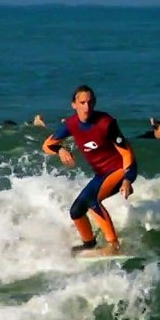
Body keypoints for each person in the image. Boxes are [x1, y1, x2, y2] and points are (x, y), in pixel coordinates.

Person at [41, 85, 137, 257]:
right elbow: (47, 145)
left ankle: (114, 246)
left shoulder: (106, 122)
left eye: (90, 102)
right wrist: (60, 149)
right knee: (76, 211)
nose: (87, 107)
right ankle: (89, 244)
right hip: (102, 174)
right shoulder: (71, 124)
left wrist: (127, 179)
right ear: (74, 104)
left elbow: (126, 152)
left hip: (121, 170)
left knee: (92, 200)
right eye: (82, 102)